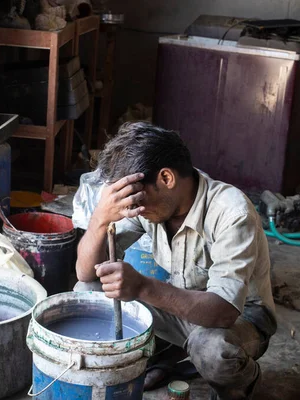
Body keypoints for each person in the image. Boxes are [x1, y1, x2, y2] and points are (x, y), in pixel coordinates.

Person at [75, 122, 277, 400]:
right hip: (183, 306)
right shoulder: (152, 204)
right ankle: (172, 359)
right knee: (88, 293)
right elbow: (85, 273)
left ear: (166, 178)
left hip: (239, 317)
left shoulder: (232, 212)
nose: (133, 209)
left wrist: (142, 287)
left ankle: (246, 381)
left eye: (136, 200)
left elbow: (224, 312)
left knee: (211, 351)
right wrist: (100, 219)